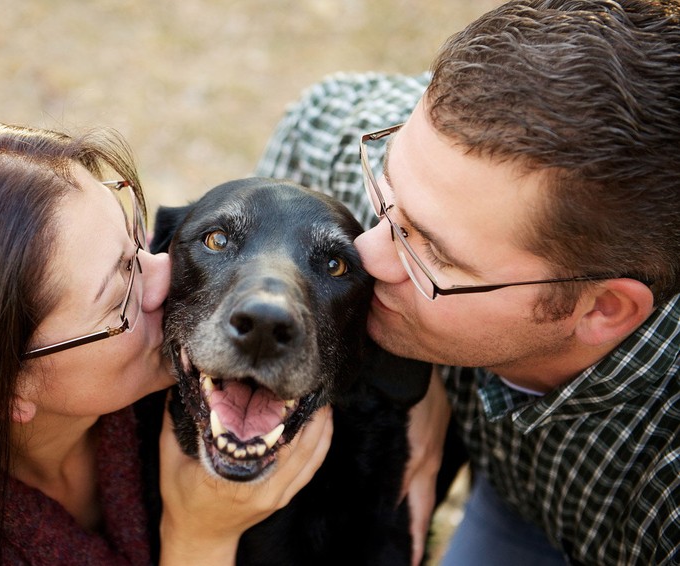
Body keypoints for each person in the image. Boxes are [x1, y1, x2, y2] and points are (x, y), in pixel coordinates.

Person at [255, 0, 680, 564]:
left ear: (603, 308)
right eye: (388, 190)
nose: (367, 253)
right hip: (511, 501)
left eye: (431, 250)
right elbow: (316, 118)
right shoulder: (438, 174)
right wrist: (416, 384)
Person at [0, 122, 333, 565]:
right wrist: (200, 538)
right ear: (4, 387)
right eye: (119, 294)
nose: (166, 275)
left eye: (136, 242)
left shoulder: (193, 395)